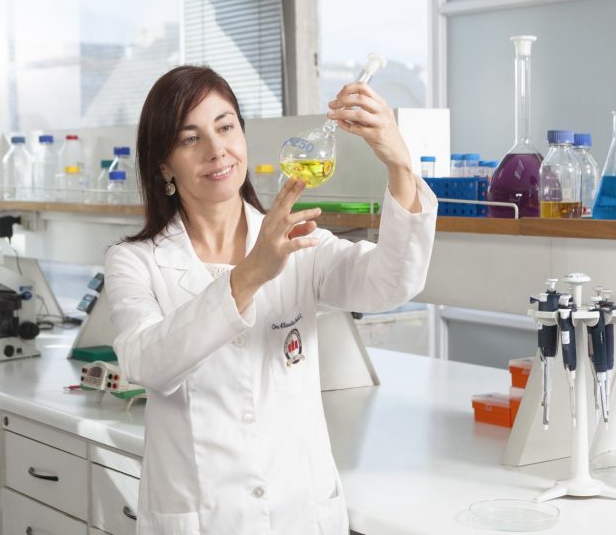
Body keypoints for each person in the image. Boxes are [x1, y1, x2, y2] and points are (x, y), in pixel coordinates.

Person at [105, 65, 438, 535]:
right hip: (203, 519)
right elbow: (146, 362)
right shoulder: (135, 261)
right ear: (163, 165)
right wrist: (250, 274)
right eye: (190, 138)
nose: (216, 149)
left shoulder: (301, 244)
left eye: (225, 127)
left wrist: (399, 164)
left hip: (300, 511)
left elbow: (391, 284)